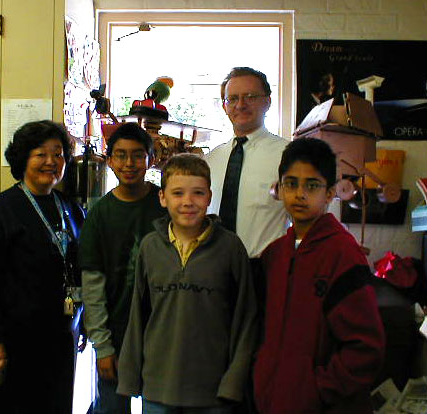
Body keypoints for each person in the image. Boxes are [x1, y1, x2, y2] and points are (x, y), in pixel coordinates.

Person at [117, 153, 257, 413]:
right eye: (178, 193)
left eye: (198, 193)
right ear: (162, 197)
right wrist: (129, 376)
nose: (188, 202)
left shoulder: (230, 248)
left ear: (209, 197)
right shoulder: (150, 247)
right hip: (157, 388)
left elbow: (245, 319)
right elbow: (138, 314)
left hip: (213, 392)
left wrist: (234, 381)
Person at [253, 138, 385, 414]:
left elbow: (365, 347)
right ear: (279, 189)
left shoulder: (344, 255)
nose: (300, 194)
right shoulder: (275, 255)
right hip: (273, 401)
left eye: (311, 185)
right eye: (291, 183)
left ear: (330, 193)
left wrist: (318, 389)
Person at [0, 120, 84, 414]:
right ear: (23, 159)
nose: (51, 162)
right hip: (13, 342)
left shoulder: (70, 208)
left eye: (58, 154)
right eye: (40, 154)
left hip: (60, 337)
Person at [78, 122, 167, 414]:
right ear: (110, 159)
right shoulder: (99, 215)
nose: (130, 163)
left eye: (138, 155)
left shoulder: (166, 205)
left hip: (162, 333)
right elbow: (92, 286)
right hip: (116, 335)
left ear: (150, 159)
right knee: (112, 408)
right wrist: (102, 346)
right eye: (121, 155)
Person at [205, 66, 288, 258]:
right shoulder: (211, 160)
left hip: (264, 271)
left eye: (250, 97)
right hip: (214, 270)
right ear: (225, 106)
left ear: (267, 102)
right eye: (232, 99)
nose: (240, 105)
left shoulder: (288, 155)